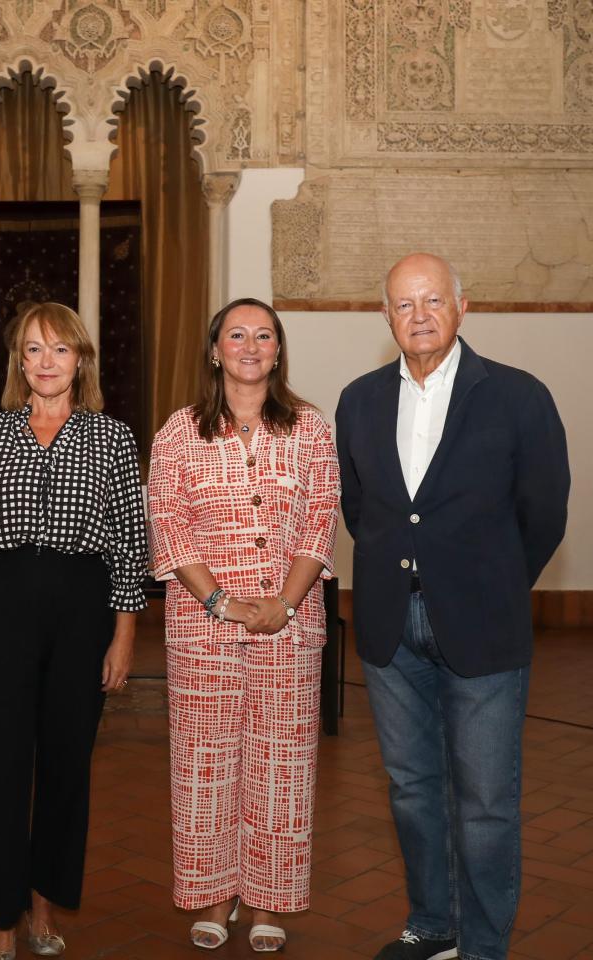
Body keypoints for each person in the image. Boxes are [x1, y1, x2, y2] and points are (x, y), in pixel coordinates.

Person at [335, 253, 569, 960]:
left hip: (483, 626)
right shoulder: (359, 400)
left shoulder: (518, 396)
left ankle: (485, 946)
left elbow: (544, 513)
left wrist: (491, 584)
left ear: (462, 307)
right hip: (388, 627)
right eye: (404, 305)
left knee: (487, 802)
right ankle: (432, 923)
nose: (420, 316)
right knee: (411, 788)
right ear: (387, 318)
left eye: (433, 300)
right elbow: (360, 509)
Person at [0, 302, 148, 960]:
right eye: (33, 349)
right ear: (18, 362)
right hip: (1, 609)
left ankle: (43, 905)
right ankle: (0, 914)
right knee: (0, 766)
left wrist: (123, 638)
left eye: (60, 350)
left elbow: (130, 549)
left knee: (66, 768)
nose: (47, 362)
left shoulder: (112, 438)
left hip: (82, 611)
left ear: (80, 359)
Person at [147, 297, 339, 954]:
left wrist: (282, 604)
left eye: (264, 335)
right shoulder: (178, 432)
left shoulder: (311, 429)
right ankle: (214, 891)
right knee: (206, 763)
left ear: (278, 350)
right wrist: (223, 603)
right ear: (214, 350)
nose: (250, 346)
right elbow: (169, 529)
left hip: (292, 624)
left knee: (280, 763)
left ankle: (267, 900)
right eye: (237, 335)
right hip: (203, 629)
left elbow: (320, 523)